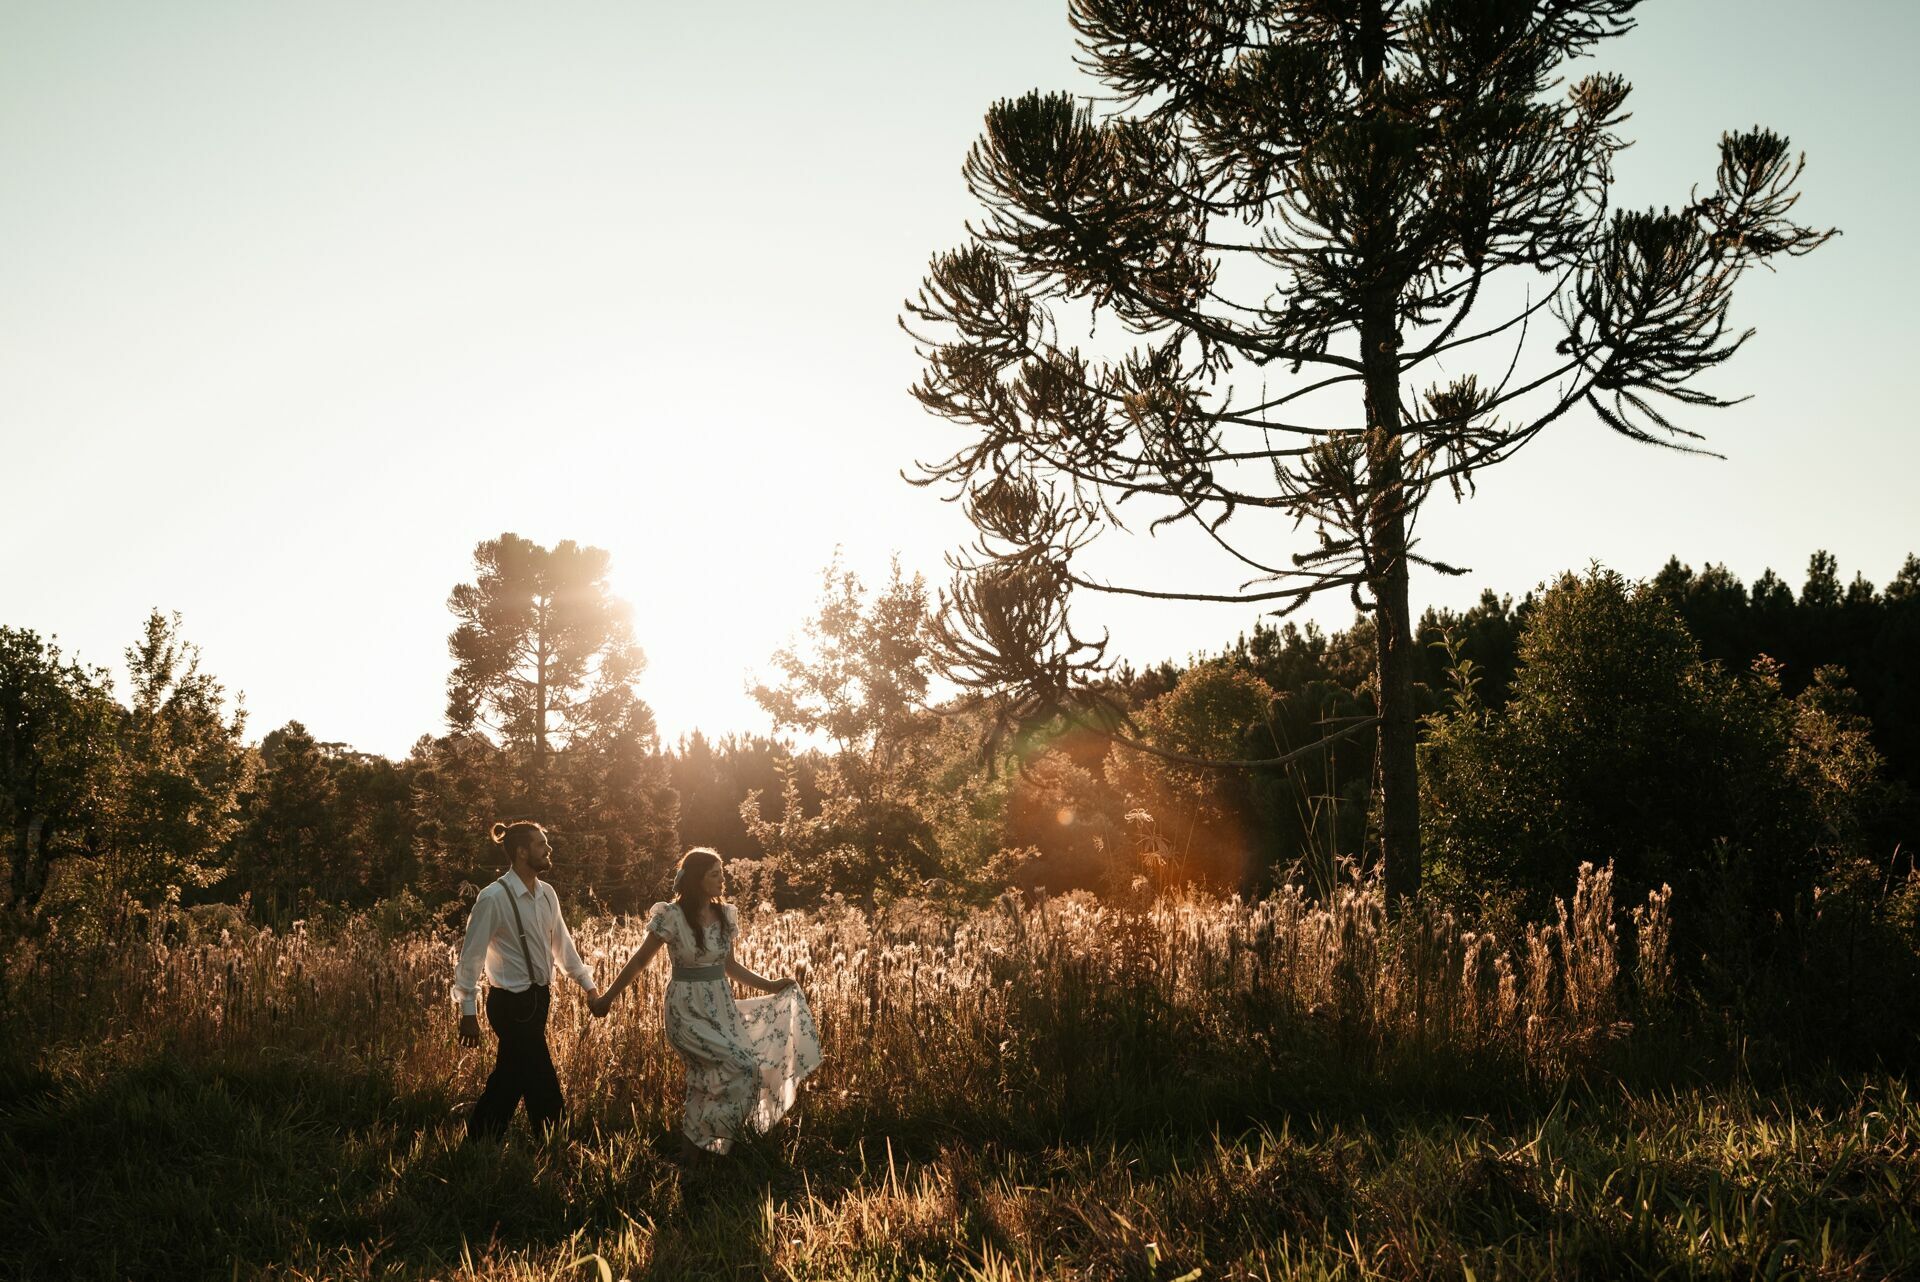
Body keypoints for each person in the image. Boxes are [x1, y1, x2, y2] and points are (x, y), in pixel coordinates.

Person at [591, 847, 820, 1156]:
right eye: (715, 874)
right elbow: (639, 961)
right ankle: (712, 1145)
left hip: (721, 1007)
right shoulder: (670, 916)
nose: (722, 880)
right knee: (743, 1067)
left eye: (721, 873)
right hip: (685, 1009)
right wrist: (607, 997)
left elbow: (730, 966)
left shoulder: (725, 915)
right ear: (697, 879)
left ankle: (693, 1160)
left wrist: (771, 984)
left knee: (706, 1081)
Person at [453, 820, 600, 1141]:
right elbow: (471, 957)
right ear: (521, 852)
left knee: (512, 1074)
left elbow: (563, 946)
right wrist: (468, 1011)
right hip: (509, 1003)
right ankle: (555, 1139)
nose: (549, 850)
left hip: (539, 999)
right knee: (540, 1073)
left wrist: (588, 987)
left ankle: (480, 1142)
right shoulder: (493, 898)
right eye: (541, 845)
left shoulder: (547, 894)